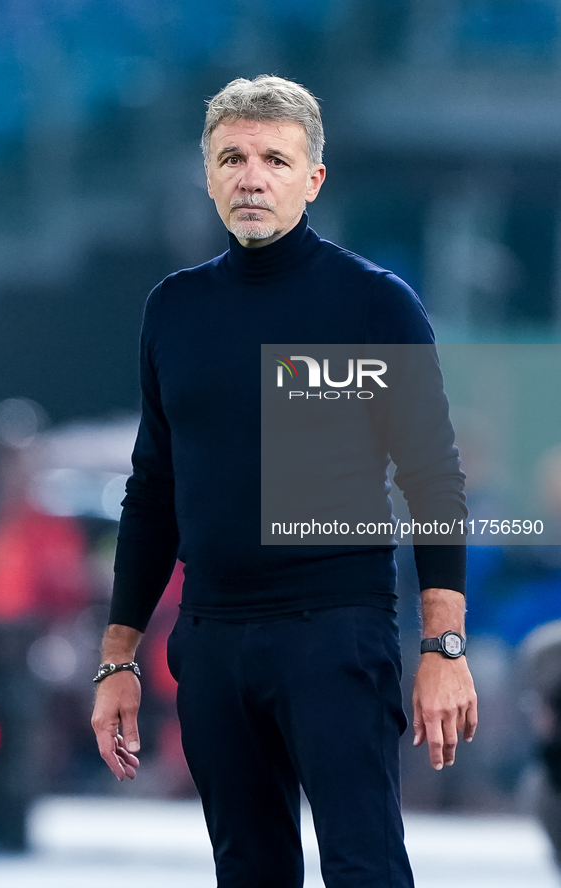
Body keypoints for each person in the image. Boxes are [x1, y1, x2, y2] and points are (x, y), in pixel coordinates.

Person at [91, 75, 478, 888]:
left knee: (363, 867)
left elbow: (433, 478)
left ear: (313, 179)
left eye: (273, 158)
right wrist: (118, 658)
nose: (250, 176)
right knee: (247, 873)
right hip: (213, 638)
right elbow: (152, 489)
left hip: (334, 631)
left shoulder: (373, 304)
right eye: (231, 157)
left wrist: (443, 645)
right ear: (207, 174)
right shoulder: (174, 308)